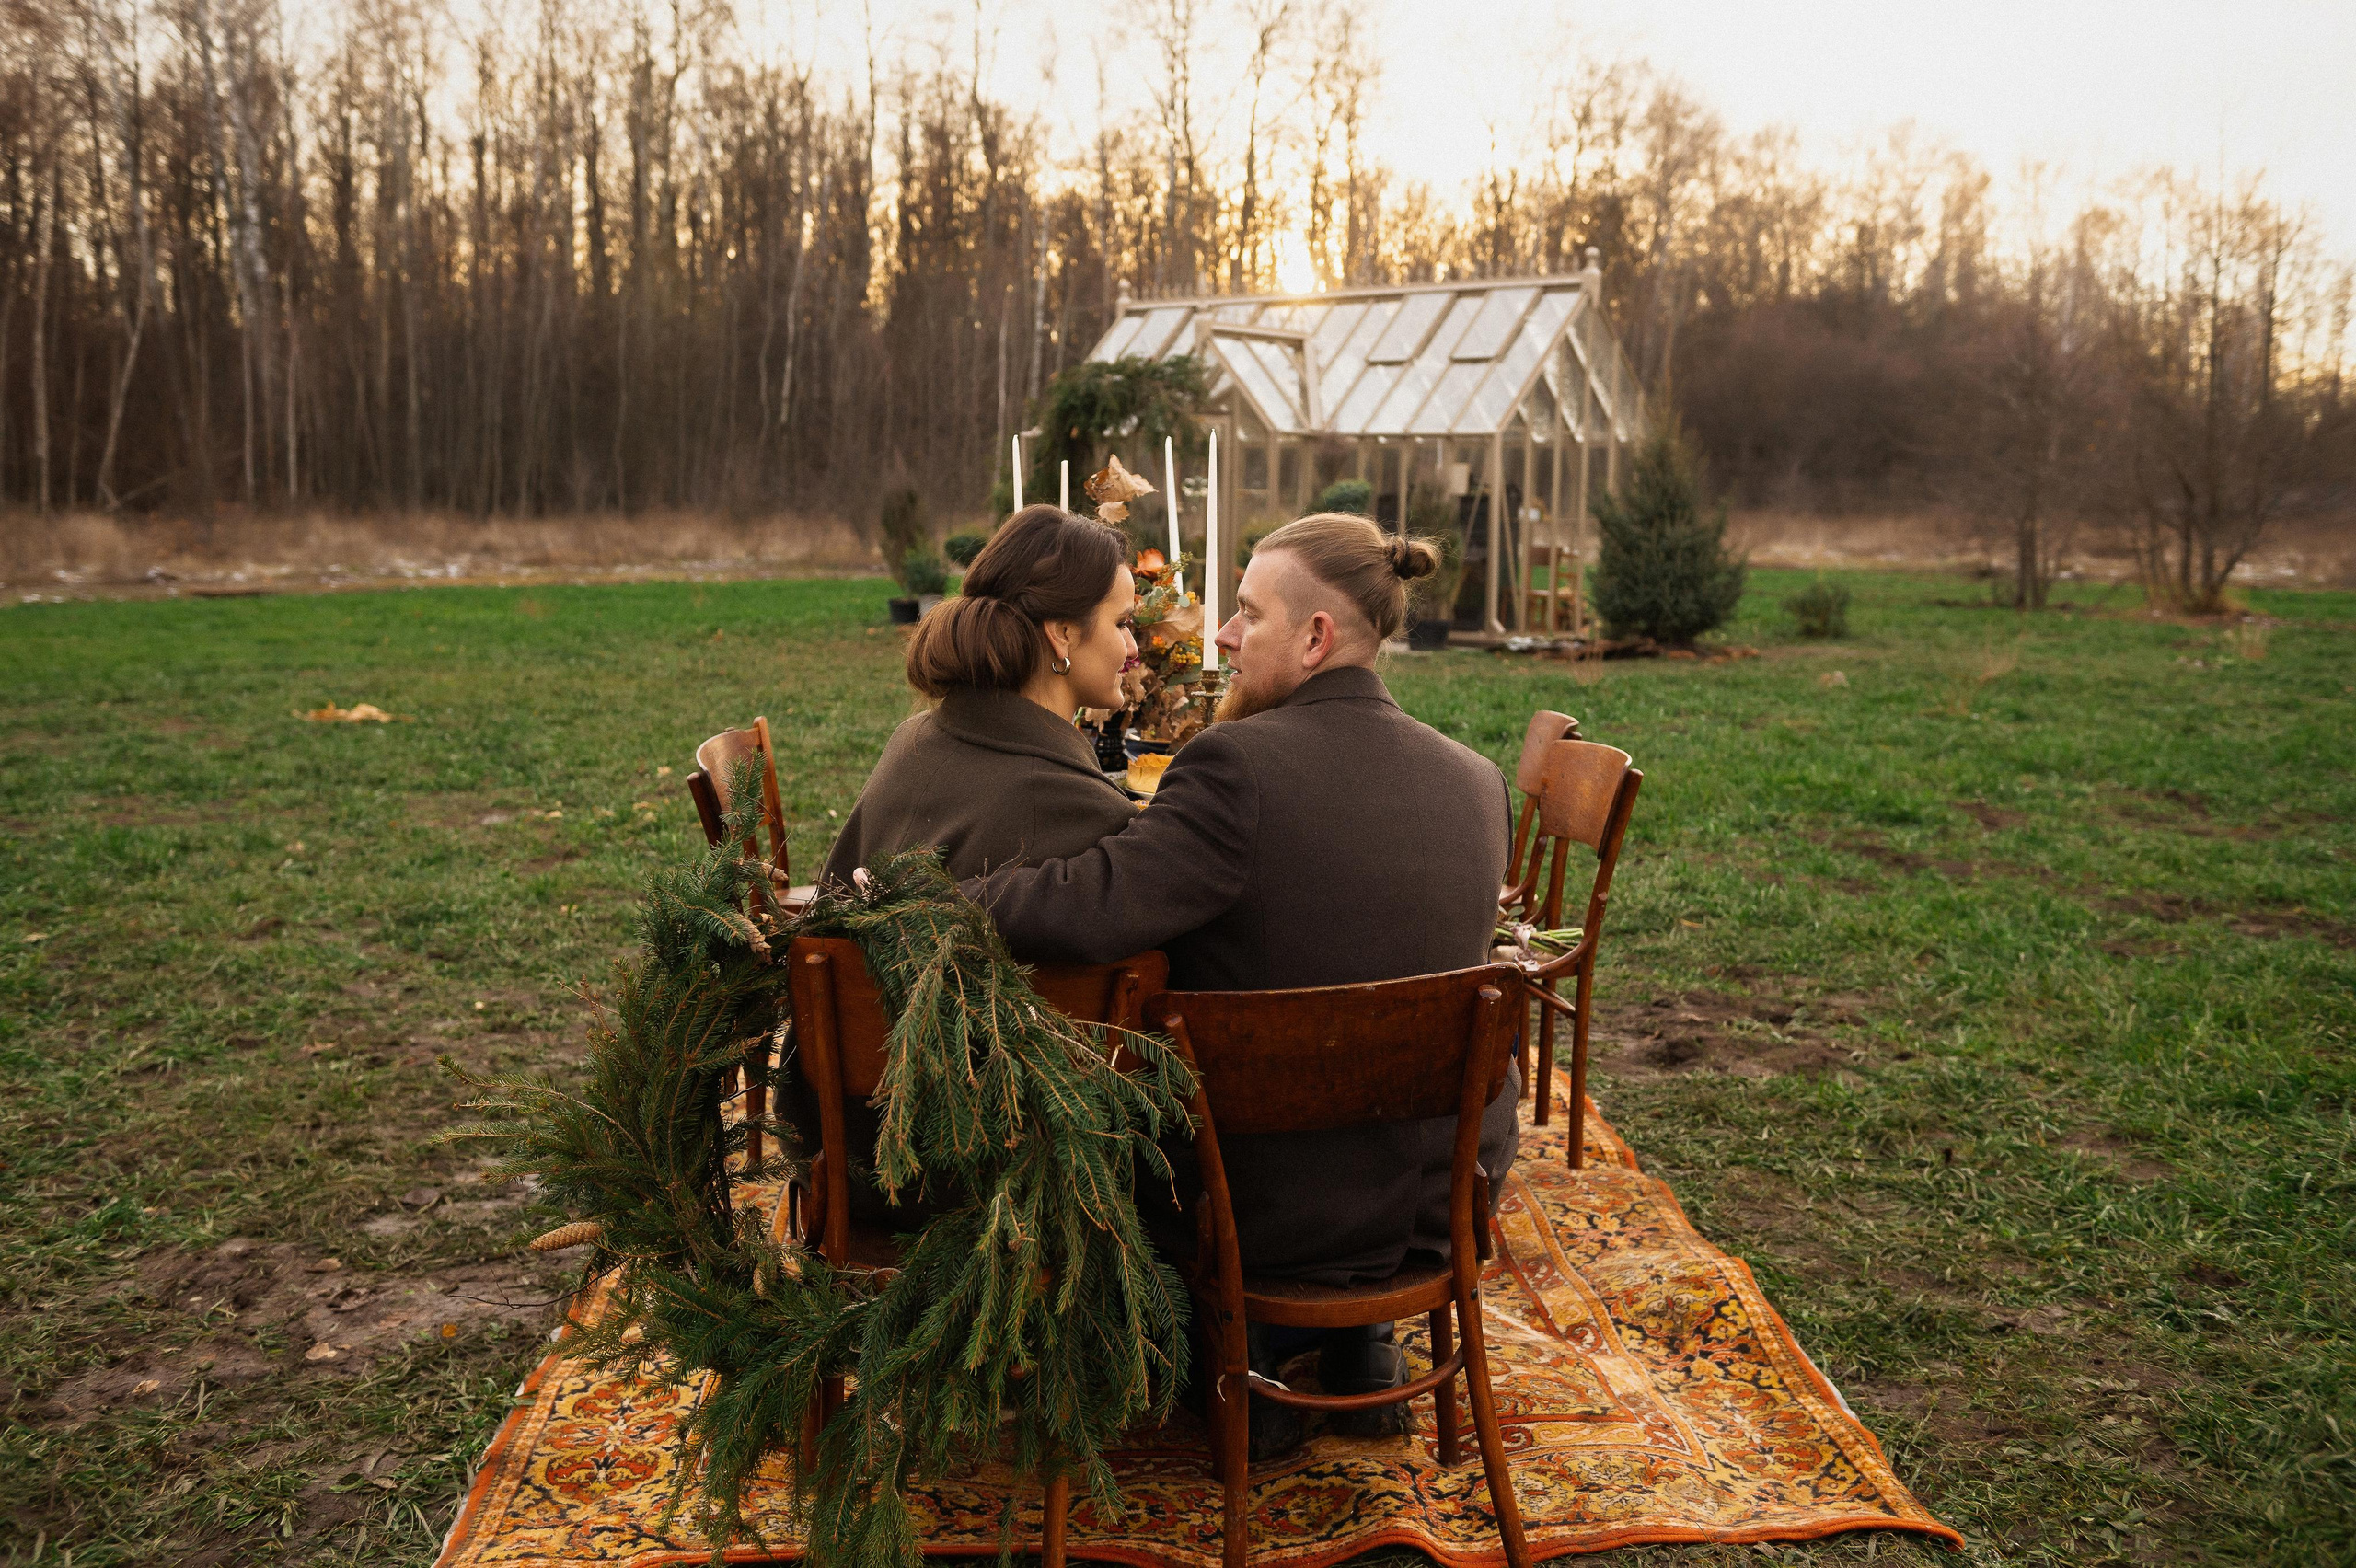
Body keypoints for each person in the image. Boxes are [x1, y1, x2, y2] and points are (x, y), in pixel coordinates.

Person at [959, 512, 1518, 1457]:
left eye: (1249, 614)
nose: (1220, 634)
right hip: (1441, 1203)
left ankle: (1242, 1356)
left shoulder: (1235, 768)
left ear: (1315, 637)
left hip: (1263, 1216)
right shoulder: (1478, 781)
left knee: (1097, 1116)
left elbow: (1088, 907)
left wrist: (939, 890)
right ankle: (1363, 1345)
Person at [814, 504, 1141, 1224]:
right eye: (1122, 624)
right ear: (1062, 634)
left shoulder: (914, 737)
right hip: (991, 1188)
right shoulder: (1075, 807)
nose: (1134, 649)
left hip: (846, 1145)